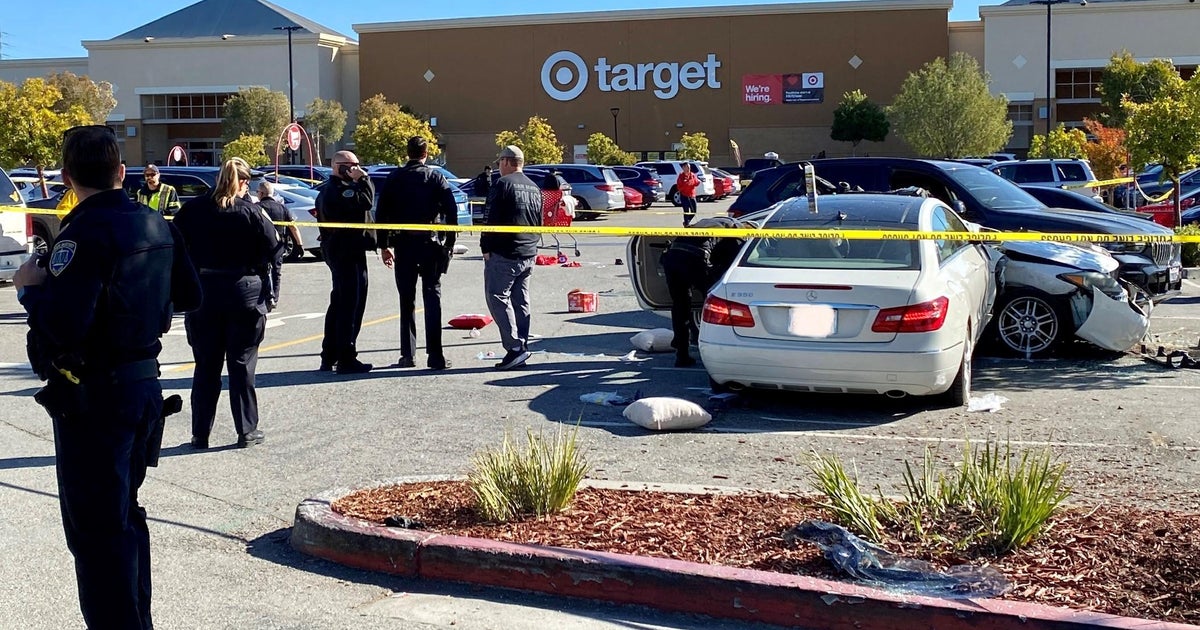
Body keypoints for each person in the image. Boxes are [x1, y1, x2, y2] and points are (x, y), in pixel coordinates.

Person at [14, 124, 201, 630]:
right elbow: (190, 296)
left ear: (68, 176)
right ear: (122, 171)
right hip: (142, 385)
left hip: (94, 396)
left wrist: (31, 289)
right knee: (124, 517)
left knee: (96, 533)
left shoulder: (79, 235)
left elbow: (64, 324)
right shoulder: (156, 223)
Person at [173, 157, 279, 449]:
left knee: (206, 366)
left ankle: (200, 433)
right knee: (242, 364)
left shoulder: (193, 209)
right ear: (243, 183)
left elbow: (176, 247)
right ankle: (246, 430)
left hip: (204, 293)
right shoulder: (251, 212)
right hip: (243, 292)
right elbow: (273, 248)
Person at [377, 136, 458, 370]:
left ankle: (408, 354)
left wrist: (384, 246)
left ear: (408, 152)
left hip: (403, 243)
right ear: (426, 153)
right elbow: (450, 211)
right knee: (432, 299)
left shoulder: (395, 178)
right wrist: (449, 243)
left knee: (407, 300)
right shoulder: (435, 177)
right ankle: (435, 356)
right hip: (429, 243)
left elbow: (381, 214)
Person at [481, 145, 543, 370]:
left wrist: (485, 246)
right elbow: (539, 222)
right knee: (521, 300)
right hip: (528, 251)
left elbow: (490, 218)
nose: (498, 167)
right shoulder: (534, 187)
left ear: (507, 162)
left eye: (499, 162)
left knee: (496, 296)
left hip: (505, 252)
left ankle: (515, 347)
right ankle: (522, 345)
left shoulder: (502, 184)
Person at [316, 150, 375, 374]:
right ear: (340, 166)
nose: (357, 168)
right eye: (353, 165)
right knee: (350, 305)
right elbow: (367, 203)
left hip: (346, 250)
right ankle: (346, 357)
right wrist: (364, 180)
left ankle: (329, 354)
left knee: (340, 303)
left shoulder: (336, 189)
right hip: (345, 252)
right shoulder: (340, 190)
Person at [660, 216, 744, 367]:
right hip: (694, 258)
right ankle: (716, 350)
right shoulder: (736, 232)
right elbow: (731, 262)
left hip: (672, 258)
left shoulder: (708, 222)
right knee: (716, 305)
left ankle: (681, 354)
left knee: (680, 306)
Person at [255, 180, 300, 310]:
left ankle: (265, 296)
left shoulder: (257, 207)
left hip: (261, 244)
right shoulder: (282, 208)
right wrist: (299, 244)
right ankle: (274, 298)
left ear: (262, 193)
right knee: (276, 272)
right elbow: (293, 227)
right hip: (278, 245)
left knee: (262, 271)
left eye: (258, 192)